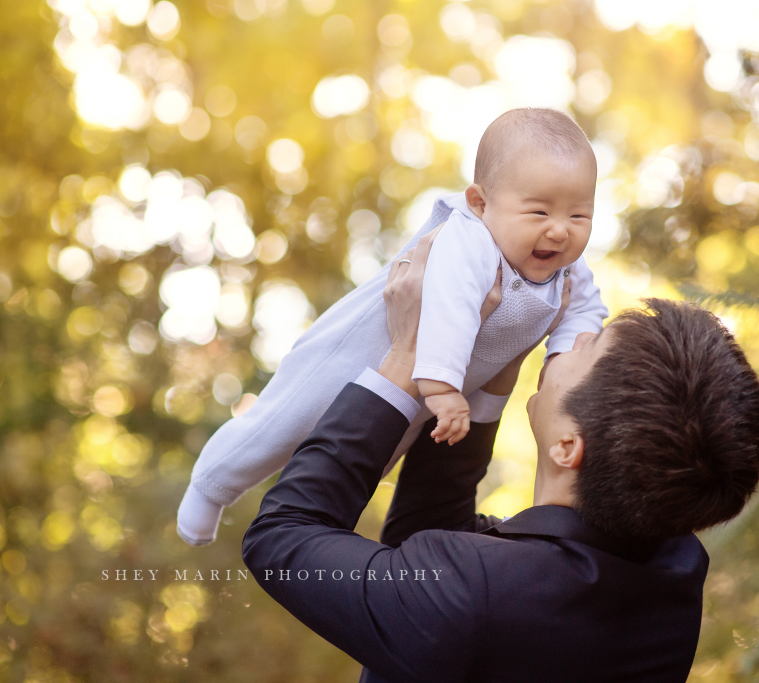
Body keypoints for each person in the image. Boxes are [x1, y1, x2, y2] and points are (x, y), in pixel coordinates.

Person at [241, 229, 759, 682]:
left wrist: (405, 355)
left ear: (569, 446)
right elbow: (428, 545)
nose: (573, 341)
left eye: (588, 348)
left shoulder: (475, 597)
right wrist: (489, 373)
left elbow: (282, 535)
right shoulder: (674, 573)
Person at [177, 107, 608, 546]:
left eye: (579, 216)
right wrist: (442, 389)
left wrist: (562, 359)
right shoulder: (470, 241)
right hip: (362, 358)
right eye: (539, 212)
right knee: (284, 422)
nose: (559, 232)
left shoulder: (568, 272)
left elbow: (585, 316)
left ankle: (313, 523)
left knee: (373, 457)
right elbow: (450, 309)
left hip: (431, 390)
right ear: (480, 203)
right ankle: (212, 484)